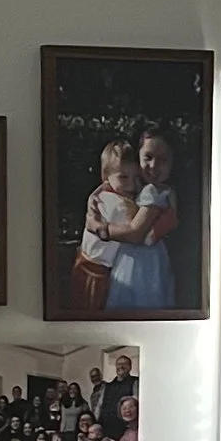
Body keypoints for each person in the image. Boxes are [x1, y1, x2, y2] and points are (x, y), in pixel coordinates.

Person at [108, 125, 180, 312]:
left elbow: (136, 233)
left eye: (163, 160)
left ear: (172, 163)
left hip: (141, 261)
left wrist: (102, 228)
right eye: (148, 157)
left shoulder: (152, 192)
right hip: (147, 257)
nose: (154, 166)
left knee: (139, 299)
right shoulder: (145, 188)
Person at [76, 140, 139, 316]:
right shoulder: (117, 204)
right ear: (106, 177)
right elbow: (138, 227)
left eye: (136, 178)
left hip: (85, 261)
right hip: (96, 271)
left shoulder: (102, 195)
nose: (131, 185)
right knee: (93, 312)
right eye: (124, 177)